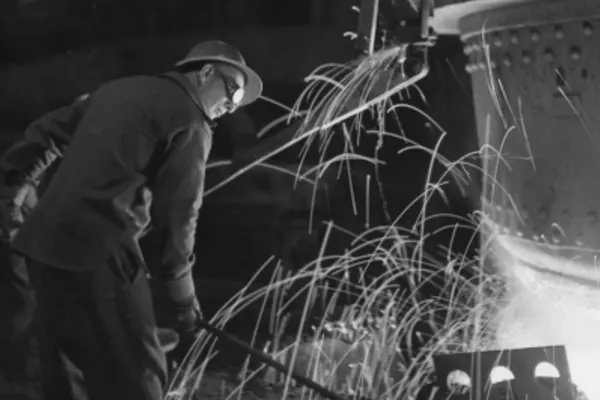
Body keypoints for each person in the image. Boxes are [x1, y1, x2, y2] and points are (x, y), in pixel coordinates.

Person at [1, 40, 262, 400]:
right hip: (99, 252)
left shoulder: (117, 90)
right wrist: (182, 297)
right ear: (205, 73)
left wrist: (15, 187)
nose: (229, 109)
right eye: (232, 92)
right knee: (139, 376)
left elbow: (47, 132)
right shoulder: (191, 118)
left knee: (67, 376)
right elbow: (179, 215)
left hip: (42, 248)